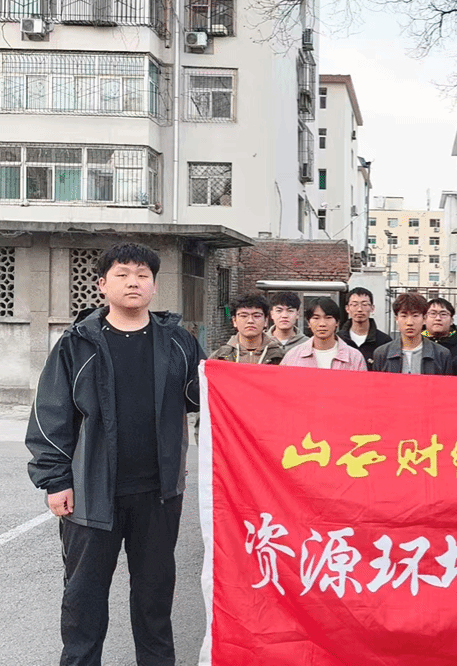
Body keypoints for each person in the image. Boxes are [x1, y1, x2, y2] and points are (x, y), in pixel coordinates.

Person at [25, 242, 204, 666]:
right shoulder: (77, 344)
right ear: (103, 284)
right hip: (91, 495)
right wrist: (56, 481)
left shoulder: (178, 342)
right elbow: (51, 414)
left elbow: (207, 397)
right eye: (122, 274)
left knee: (154, 601)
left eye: (142, 275)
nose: (133, 282)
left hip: (159, 495)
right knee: (83, 602)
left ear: (154, 286)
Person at [374, 292, 452, 374]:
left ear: (424, 319)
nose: (409, 322)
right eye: (404, 316)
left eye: (415, 315)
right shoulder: (381, 354)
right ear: (396, 318)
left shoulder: (441, 354)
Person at [282, 297, 367, 370]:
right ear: (308, 323)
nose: (322, 324)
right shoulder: (293, 356)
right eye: (316, 318)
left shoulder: (354, 357)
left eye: (328, 318)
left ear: (337, 322)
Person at [209, 293, 285, 365]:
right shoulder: (220, 357)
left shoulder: (280, 357)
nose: (250, 321)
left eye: (257, 316)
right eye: (244, 316)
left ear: (266, 321)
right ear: (234, 321)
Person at [339, 287, 392, 369]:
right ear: (347, 308)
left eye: (364, 304)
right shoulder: (338, 339)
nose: (359, 309)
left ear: (372, 308)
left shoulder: (384, 341)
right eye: (354, 304)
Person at [268, 291, 308, 355]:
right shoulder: (261, 342)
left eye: (290, 311)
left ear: (298, 314)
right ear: (272, 314)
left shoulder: (307, 344)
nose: (284, 315)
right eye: (279, 310)